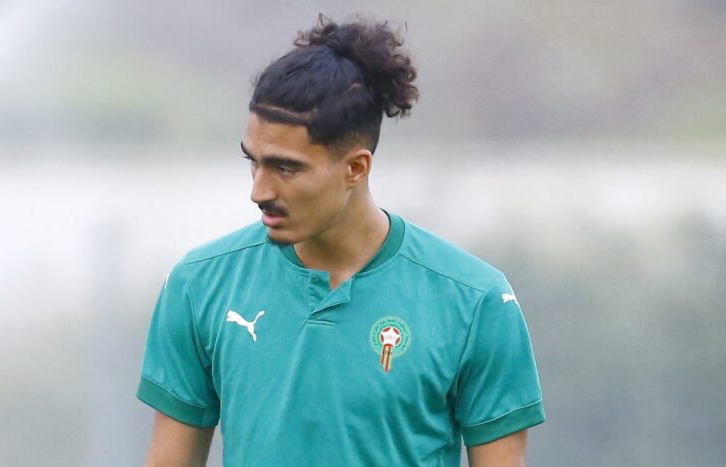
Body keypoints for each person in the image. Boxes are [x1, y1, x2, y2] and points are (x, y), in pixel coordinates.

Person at [137, 14, 545, 467]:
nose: (259, 191)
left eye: (285, 168)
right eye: (253, 161)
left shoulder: (476, 301)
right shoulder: (199, 285)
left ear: (355, 168)